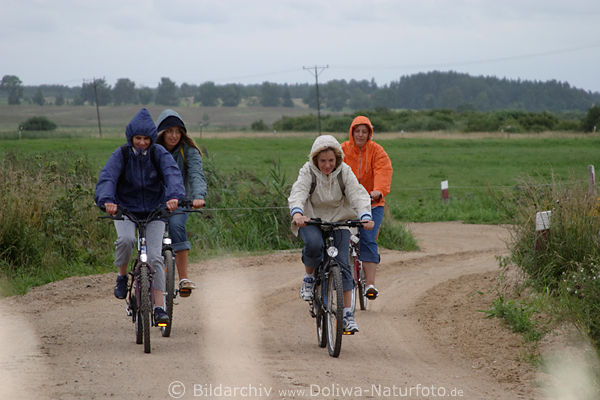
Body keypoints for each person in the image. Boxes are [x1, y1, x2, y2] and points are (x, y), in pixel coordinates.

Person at [94, 108, 185, 325]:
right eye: (138, 138)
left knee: (155, 257)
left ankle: (159, 307)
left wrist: (174, 197)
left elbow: (172, 174)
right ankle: (123, 276)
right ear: (130, 137)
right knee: (126, 240)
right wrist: (107, 200)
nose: (142, 143)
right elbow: (108, 177)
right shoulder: (122, 154)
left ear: (152, 139)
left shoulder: (158, 153)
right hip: (125, 209)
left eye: (146, 138)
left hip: (155, 211)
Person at [288, 135, 374, 333]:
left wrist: (365, 215)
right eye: (323, 161)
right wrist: (298, 213)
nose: (327, 165)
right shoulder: (307, 171)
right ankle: (310, 279)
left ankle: (346, 315)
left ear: (337, 159)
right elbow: (299, 191)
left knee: (344, 264)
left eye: (331, 161)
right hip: (312, 219)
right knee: (314, 245)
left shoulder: (345, 172)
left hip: (339, 219)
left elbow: (357, 194)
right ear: (315, 160)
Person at [341, 115, 393, 300]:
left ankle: (370, 284)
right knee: (340, 237)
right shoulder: (343, 150)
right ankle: (339, 281)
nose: (361, 135)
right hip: (348, 203)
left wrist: (378, 190)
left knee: (369, 238)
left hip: (373, 203)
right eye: (357, 131)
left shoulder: (377, 151)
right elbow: (336, 170)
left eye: (365, 131)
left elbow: (383, 171)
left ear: (369, 133)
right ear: (352, 132)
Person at [155, 109, 207, 295]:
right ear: (161, 133)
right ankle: (148, 278)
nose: (174, 136)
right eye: (169, 131)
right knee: (153, 238)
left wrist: (198, 197)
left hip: (180, 202)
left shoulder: (188, 150)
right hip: (154, 203)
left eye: (178, 131)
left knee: (177, 226)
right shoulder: (152, 149)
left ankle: (183, 278)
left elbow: (196, 175)